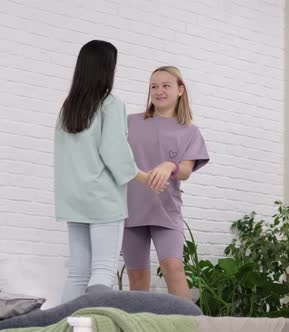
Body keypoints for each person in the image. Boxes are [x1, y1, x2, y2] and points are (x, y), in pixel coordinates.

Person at [54, 41, 165, 303]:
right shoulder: (110, 105)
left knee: (78, 274)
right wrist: (145, 178)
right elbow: (115, 153)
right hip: (103, 199)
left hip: (73, 199)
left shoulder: (68, 109)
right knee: (103, 270)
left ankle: (63, 326)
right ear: (106, 69)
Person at [122, 66, 210, 299]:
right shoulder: (128, 122)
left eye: (165, 85)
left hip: (166, 211)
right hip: (130, 211)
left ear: (181, 90)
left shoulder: (190, 132)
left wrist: (169, 165)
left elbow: (185, 171)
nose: (159, 91)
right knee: (137, 280)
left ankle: (189, 326)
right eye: (154, 86)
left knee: (174, 269)